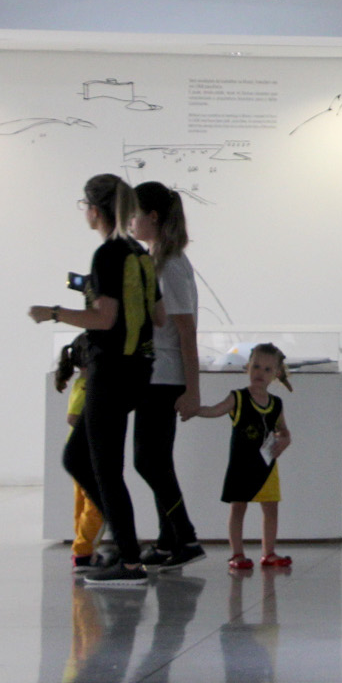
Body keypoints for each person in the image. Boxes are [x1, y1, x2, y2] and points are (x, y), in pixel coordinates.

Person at [30, 173, 159, 588]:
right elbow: (157, 315)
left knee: (105, 469)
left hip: (111, 373)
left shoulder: (107, 255)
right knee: (77, 458)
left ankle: (130, 562)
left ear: (95, 210)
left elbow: (103, 319)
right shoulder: (138, 253)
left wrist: (53, 313)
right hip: (138, 369)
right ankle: (124, 539)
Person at [129, 181, 204, 570]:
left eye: (134, 214)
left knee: (148, 461)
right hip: (154, 374)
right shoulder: (157, 259)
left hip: (165, 376)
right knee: (156, 460)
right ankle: (167, 541)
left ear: (153, 217)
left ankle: (185, 536)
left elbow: (187, 332)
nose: (129, 221)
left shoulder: (170, 265)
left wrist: (193, 390)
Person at [193, 342, 292, 571]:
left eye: (267, 369)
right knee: (238, 508)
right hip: (241, 466)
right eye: (256, 366)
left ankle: (269, 552)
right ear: (247, 367)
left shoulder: (276, 404)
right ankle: (237, 553)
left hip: (267, 467)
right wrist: (195, 410)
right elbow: (215, 410)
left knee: (271, 508)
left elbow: (283, 430)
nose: (260, 373)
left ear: (276, 373)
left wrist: (285, 438)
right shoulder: (237, 398)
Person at [56, 340, 106, 572]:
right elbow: (73, 417)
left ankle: (82, 550)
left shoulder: (82, 383)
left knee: (83, 504)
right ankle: (84, 552)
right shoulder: (87, 386)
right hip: (89, 453)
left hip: (82, 452)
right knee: (96, 504)